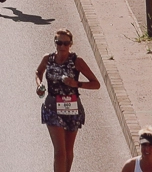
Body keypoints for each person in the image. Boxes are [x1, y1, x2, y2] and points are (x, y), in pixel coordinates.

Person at [35, 28, 102, 172]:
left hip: (72, 108)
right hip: (52, 108)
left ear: (71, 44)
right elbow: (38, 71)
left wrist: (76, 84)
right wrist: (39, 84)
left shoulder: (77, 61)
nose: (62, 46)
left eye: (66, 43)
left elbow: (96, 84)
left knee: (68, 150)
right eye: (59, 43)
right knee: (59, 152)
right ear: (55, 43)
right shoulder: (48, 59)